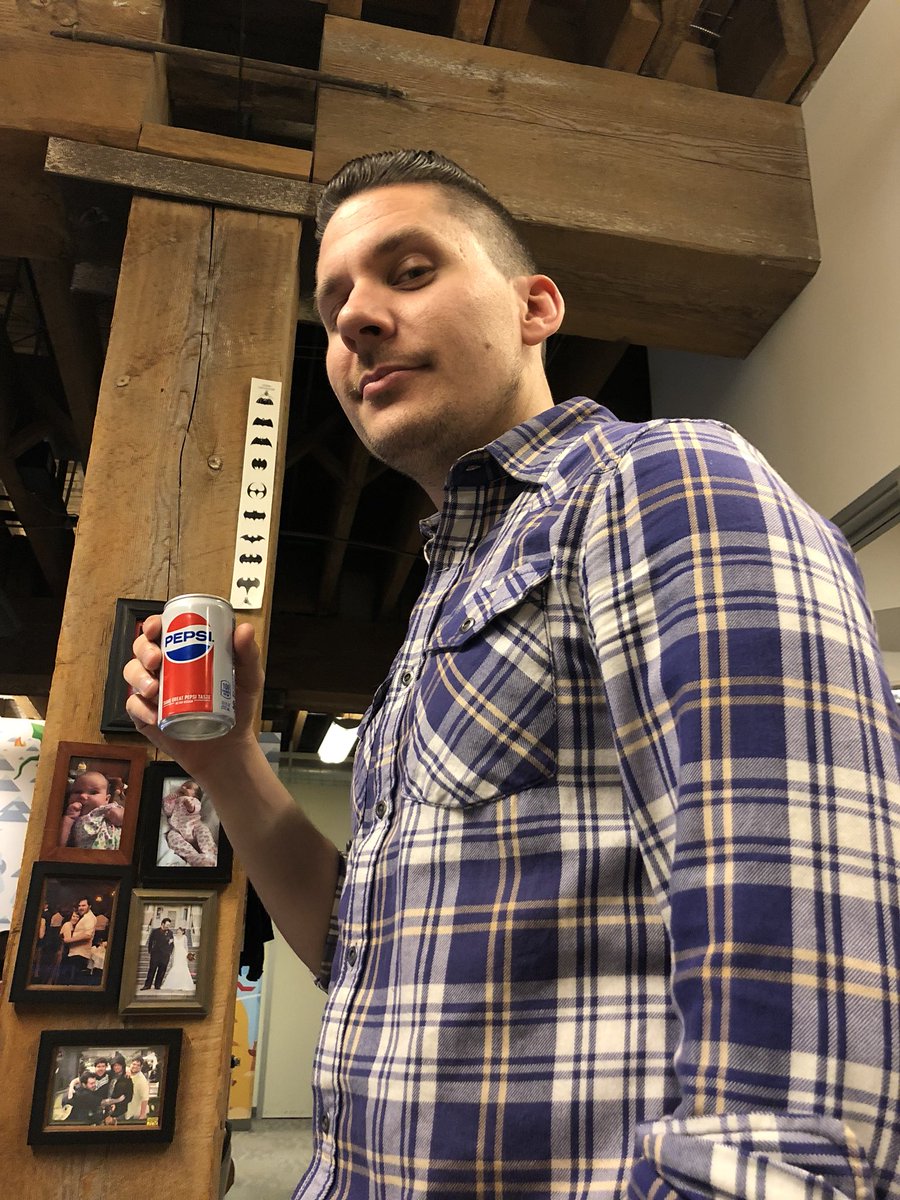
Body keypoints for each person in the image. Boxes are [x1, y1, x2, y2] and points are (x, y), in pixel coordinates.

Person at [124, 150, 900, 1199]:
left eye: (408, 272)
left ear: (536, 308)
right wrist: (225, 764)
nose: (355, 322)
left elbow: (811, 985)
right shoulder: (444, 601)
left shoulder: (660, 482)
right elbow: (364, 958)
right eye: (333, 306)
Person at [58, 771, 126, 850]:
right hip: (86, 855)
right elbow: (61, 844)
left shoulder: (109, 808)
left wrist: (120, 815)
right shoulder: (72, 817)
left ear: (107, 799)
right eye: (77, 792)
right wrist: (69, 817)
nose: (83, 796)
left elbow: (131, 822)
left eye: (93, 792)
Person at [59, 897, 97, 985]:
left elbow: (88, 935)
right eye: (79, 906)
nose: (80, 908)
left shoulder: (89, 918)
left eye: (83, 905)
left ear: (89, 906)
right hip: (75, 953)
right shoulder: (84, 918)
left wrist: (69, 940)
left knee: (72, 981)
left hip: (80, 953)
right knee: (69, 979)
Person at [159, 925, 195, 992]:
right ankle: (174, 984)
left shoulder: (184, 937)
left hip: (183, 954)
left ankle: (183, 984)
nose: (178, 931)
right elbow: (171, 945)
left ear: (182, 931)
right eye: (178, 930)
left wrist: (187, 955)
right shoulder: (174, 937)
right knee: (175, 966)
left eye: (180, 930)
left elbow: (186, 947)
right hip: (176, 953)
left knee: (183, 967)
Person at [141, 917, 174, 990]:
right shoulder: (155, 931)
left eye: (169, 925)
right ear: (162, 924)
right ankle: (147, 985)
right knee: (152, 970)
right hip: (156, 954)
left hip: (165, 955)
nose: (168, 926)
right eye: (167, 925)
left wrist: (169, 952)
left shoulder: (170, 933)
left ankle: (157, 985)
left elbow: (171, 944)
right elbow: (150, 941)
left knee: (162, 971)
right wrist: (150, 950)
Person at [124, 1057, 150, 1122]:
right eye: (134, 1064)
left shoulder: (142, 1081)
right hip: (125, 1111)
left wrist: (142, 1115)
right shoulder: (126, 1072)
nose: (135, 1066)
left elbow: (145, 1099)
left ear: (141, 1067)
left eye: (138, 1065)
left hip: (136, 1114)